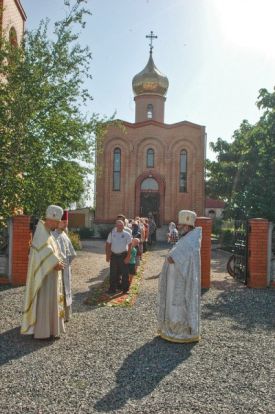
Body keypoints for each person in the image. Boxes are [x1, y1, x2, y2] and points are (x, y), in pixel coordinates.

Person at [21, 205, 66, 339]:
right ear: (51, 218)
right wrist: (55, 262)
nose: (58, 224)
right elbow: (45, 250)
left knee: (51, 300)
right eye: (57, 222)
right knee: (44, 301)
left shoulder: (47, 232)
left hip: (50, 273)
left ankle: (51, 329)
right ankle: (43, 331)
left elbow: (52, 250)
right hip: (44, 277)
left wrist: (58, 261)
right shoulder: (41, 232)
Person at [157, 210, 202, 343]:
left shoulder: (191, 241)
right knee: (173, 302)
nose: (178, 227)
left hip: (182, 280)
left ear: (187, 226)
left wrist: (172, 258)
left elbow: (177, 258)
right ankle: (171, 328)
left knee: (180, 304)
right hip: (175, 278)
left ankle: (181, 332)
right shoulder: (187, 238)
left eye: (180, 225)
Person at [52, 210, 76, 322]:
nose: (66, 224)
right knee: (59, 291)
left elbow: (72, 253)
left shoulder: (65, 235)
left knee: (66, 290)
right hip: (57, 269)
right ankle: (57, 318)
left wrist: (67, 263)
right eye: (64, 222)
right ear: (58, 222)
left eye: (67, 222)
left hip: (66, 268)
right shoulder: (52, 236)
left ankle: (66, 315)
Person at [106, 219, 132, 294]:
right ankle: (112, 289)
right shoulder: (112, 233)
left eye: (121, 225)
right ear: (116, 226)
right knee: (113, 273)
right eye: (118, 225)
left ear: (124, 226)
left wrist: (128, 257)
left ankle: (125, 289)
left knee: (125, 273)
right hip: (114, 256)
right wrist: (107, 256)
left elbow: (130, 246)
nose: (120, 227)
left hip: (123, 255)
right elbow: (108, 244)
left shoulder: (127, 234)